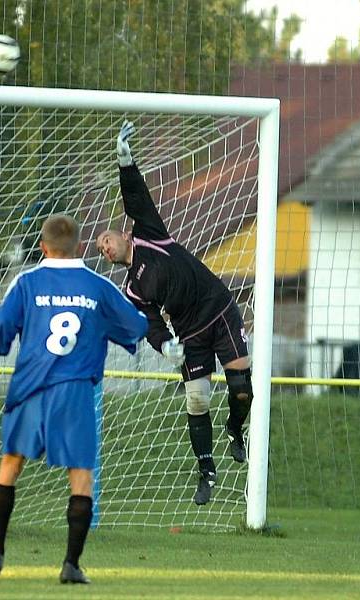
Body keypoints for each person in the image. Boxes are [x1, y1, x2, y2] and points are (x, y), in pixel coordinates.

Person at [0, 214, 148, 584]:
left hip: (30, 387)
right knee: (81, 475)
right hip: (74, 390)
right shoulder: (97, 286)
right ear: (80, 246)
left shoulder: (27, 282)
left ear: (42, 247)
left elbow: (1, 325)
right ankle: (70, 565)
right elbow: (135, 325)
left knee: (10, 465)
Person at [95, 121, 254, 506]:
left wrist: (126, 162)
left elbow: (136, 198)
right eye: (100, 251)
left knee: (241, 388)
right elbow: (149, 324)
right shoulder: (131, 287)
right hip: (190, 335)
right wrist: (166, 346)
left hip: (219, 310)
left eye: (106, 240)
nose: (105, 248)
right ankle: (206, 472)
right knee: (197, 402)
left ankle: (236, 430)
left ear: (122, 233)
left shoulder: (150, 234)